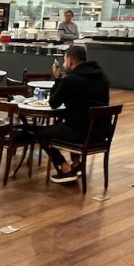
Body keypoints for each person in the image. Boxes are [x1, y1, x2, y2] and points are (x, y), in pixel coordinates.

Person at [34, 43, 110, 184]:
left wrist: (57, 78)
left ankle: (64, 169)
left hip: (81, 133)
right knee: (71, 123)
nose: (64, 64)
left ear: (70, 61)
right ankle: (76, 164)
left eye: (64, 61)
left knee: (40, 132)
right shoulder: (102, 77)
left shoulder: (71, 80)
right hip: (101, 132)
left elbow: (53, 103)